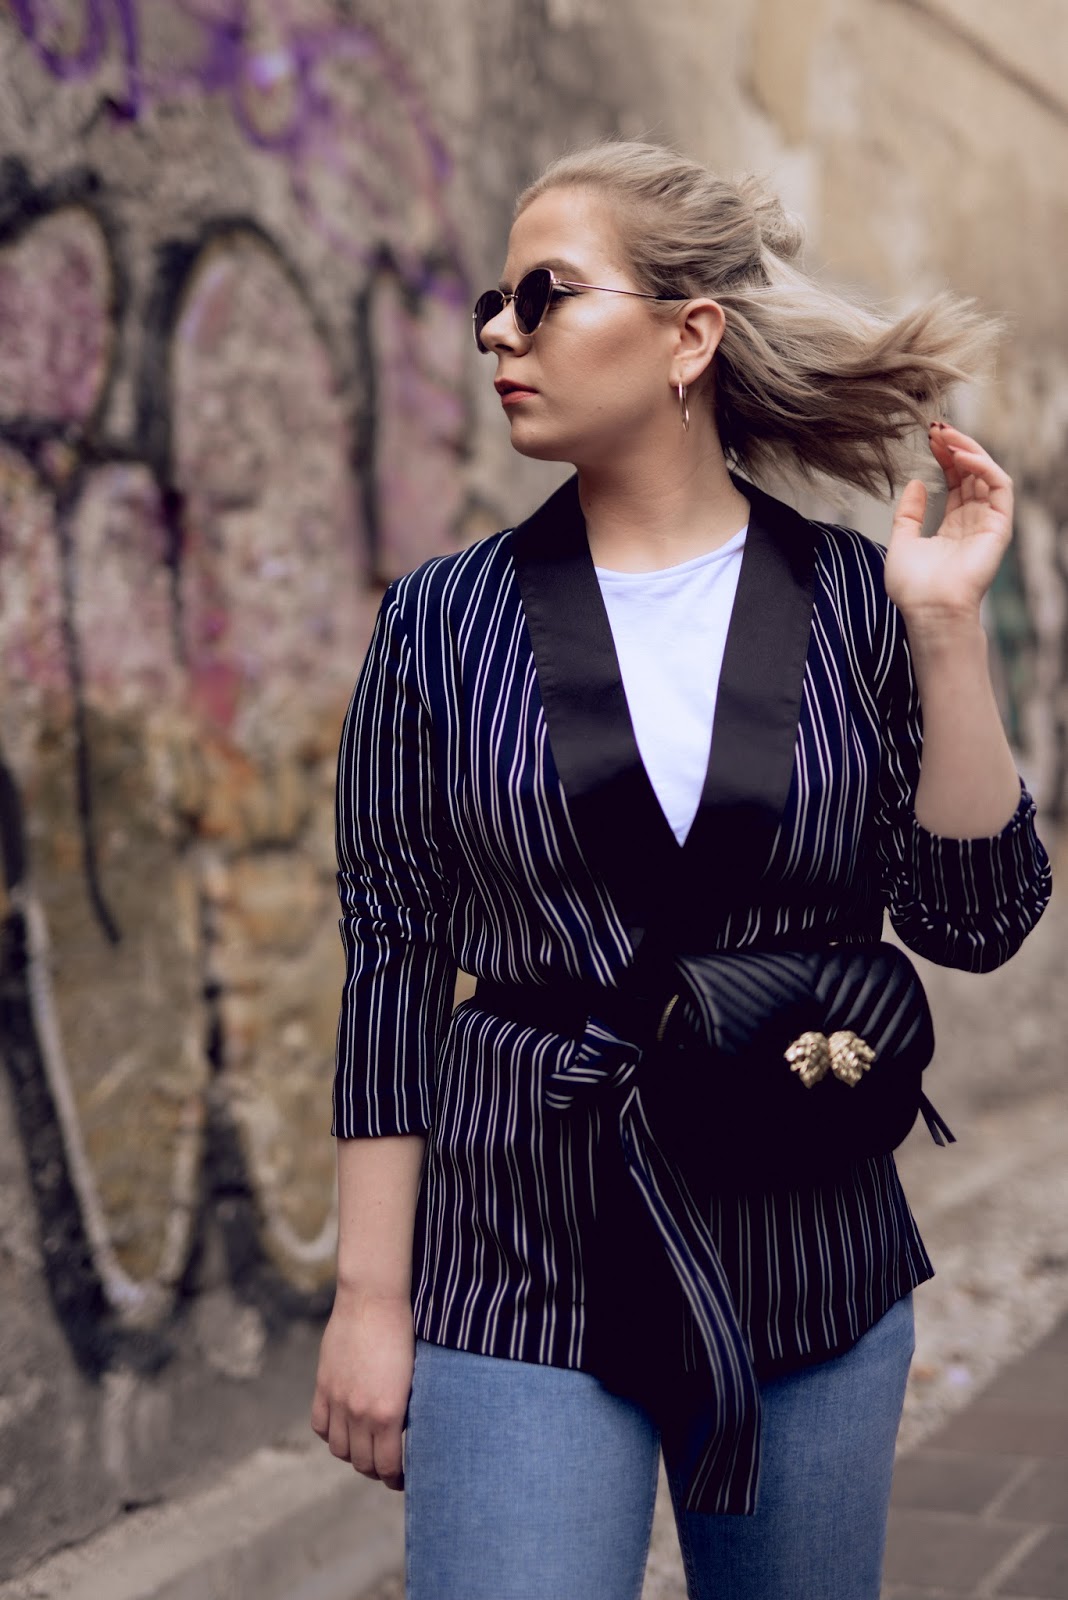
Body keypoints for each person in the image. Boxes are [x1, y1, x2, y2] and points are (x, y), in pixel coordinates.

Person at [310, 140, 1051, 1600]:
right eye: (492, 303)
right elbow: (391, 958)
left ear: (688, 337)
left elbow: (975, 919)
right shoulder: (441, 623)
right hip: (521, 1243)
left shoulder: (857, 601)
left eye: (543, 294)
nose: (499, 333)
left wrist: (947, 632)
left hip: (806, 1233)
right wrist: (368, 1300)